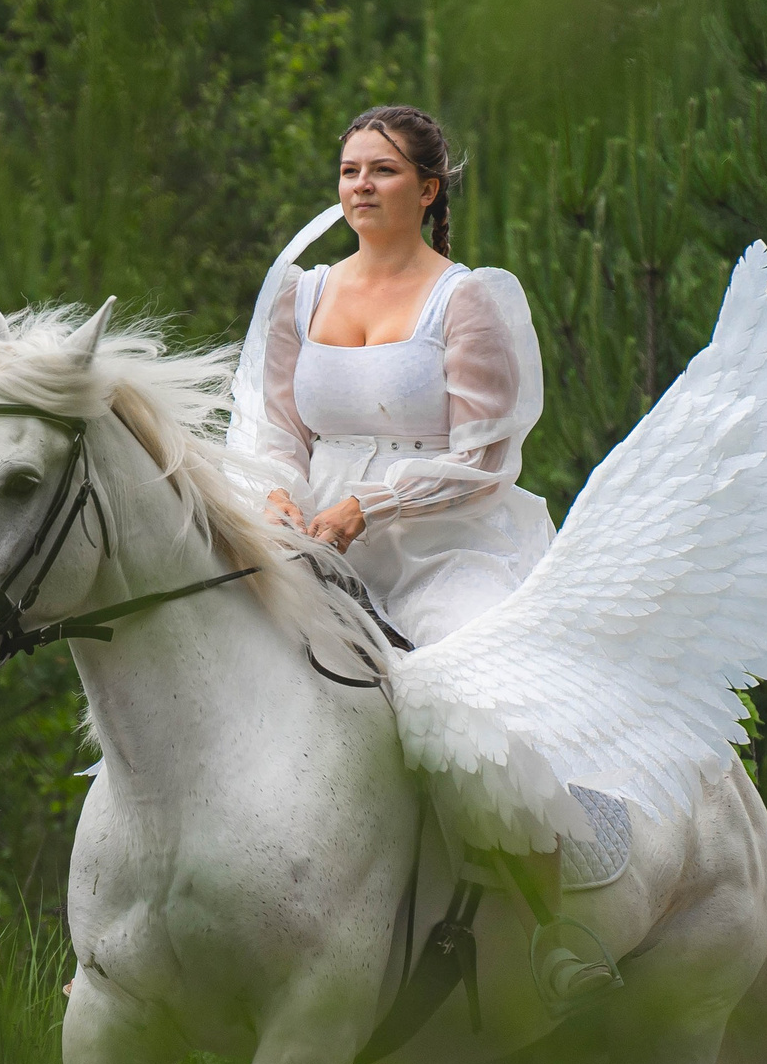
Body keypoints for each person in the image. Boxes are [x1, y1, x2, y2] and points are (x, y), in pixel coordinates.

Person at [229, 104, 616, 1013]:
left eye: (383, 170)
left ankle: (557, 920)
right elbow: (275, 425)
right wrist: (280, 495)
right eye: (349, 169)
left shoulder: (468, 297)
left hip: (446, 543)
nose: (359, 185)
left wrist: (370, 504)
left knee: (466, 697)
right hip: (315, 540)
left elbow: (486, 454)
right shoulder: (302, 294)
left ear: (428, 188)